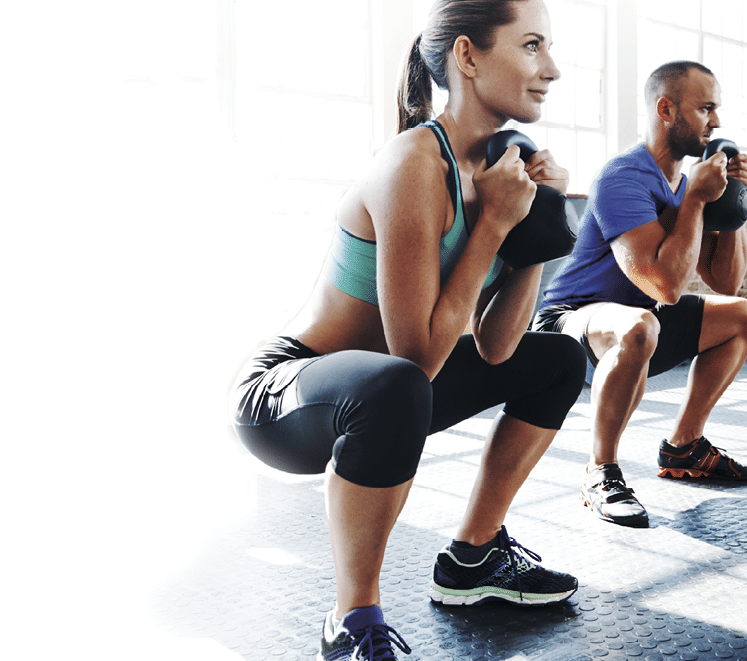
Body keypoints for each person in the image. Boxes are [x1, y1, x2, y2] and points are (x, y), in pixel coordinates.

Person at [230, 1, 586, 659]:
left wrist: (536, 228)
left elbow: (498, 347)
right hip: (285, 395)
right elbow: (416, 357)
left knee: (559, 358)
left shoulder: (501, 173)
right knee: (395, 384)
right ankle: (351, 619)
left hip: (395, 389)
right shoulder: (415, 163)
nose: (552, 69)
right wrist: (493, 226)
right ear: (468, 56)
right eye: (532, 45)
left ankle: (474, 558)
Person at [532, 60, 747, 530]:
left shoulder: (690, 186)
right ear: (666, 110)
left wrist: (733, 202)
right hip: (569, 322)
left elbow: (725, 283)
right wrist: (695, 201)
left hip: (642, 318)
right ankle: (600, 471)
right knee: (640, 325)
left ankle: (685, 446)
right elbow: (663, 285)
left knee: (743, 317)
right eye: (706, 109)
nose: (716, 122)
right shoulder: (623, 177)